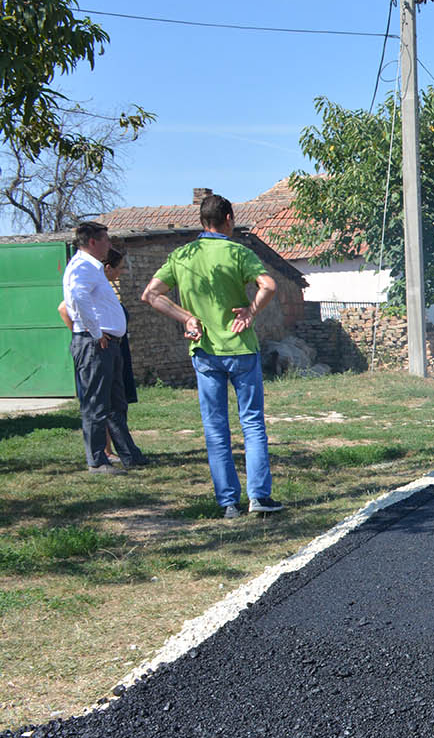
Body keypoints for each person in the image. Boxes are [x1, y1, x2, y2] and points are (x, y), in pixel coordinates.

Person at [142, 194, 285, 519]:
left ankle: (228, 503)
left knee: (215, 427)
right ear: (229, 218)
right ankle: (259, 497)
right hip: (242, 349)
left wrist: (186, 318)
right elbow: (269, 285)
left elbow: (150, 294)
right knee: (251, 423)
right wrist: (250, 311)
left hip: (205, 352)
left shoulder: (182, 255)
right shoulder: (237, 252)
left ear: (202, 221)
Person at [62, 222, 146, 475]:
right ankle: (97, 460)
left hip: (109, 343)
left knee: (115, 403)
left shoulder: (93, 268)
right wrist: (96, 332)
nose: (109, 245)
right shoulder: (82, 268)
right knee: (96, 404)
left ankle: (129, 454)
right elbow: (78, 298)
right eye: (106, 240)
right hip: (94, 343)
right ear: (92, 242)